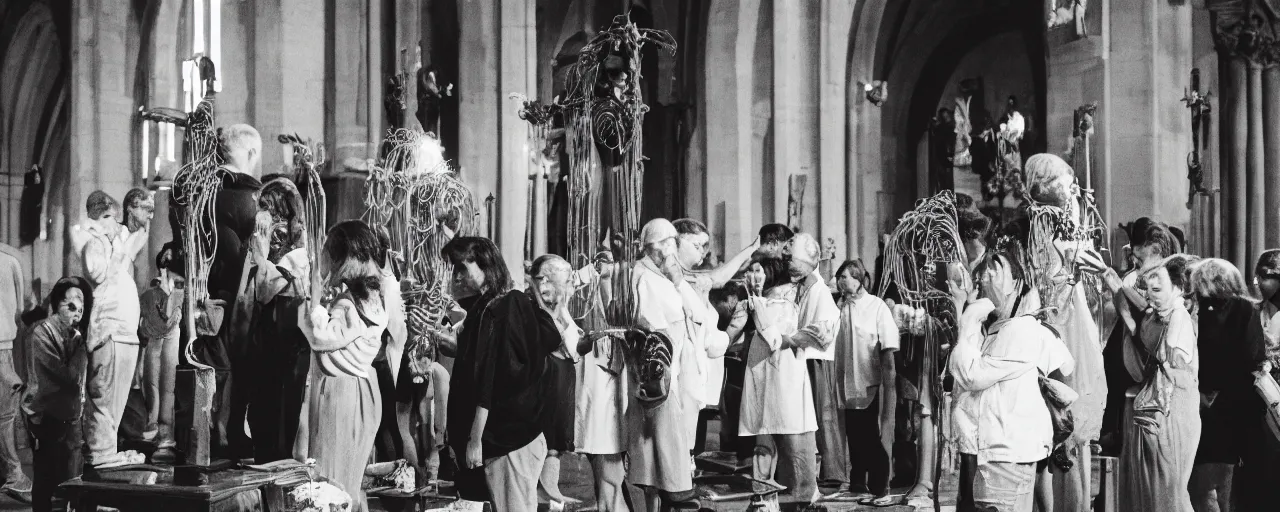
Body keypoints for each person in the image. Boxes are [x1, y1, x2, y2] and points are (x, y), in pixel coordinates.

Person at [951, 251, 1075, 512]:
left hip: (1006, 456)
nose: (988, 276)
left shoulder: (1019, 329)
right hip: (994, 453)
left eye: (997, 270)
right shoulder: (998, 329)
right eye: (985, 272)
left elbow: (971, 375)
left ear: (1017, 285)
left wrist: (969, 316)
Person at [443, 237, 560, 512]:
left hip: (507, 439)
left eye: (462, 268)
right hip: (510, 438)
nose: (456, 276)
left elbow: (490, 377)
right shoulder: (495, 306)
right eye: (453, 269)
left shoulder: (500, 307)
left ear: (486, 266)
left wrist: (474, 440)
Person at [296, 220, 392, 512]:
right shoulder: (379, 293)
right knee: (349, 478)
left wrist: (313, 300)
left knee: (330, 481)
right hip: (363, 391)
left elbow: (322, 338)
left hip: (341, 393)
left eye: (336, 258)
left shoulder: (351, 304)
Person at [1104, 254, 1200, 512]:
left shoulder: (1179, 318)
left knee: (1167, 490)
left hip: (1171, 414)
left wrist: (1121, 294)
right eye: (1149, 290)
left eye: (1158, 290)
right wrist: (1121, 291)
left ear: (1179, 289)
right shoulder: (1158, 315)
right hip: (1154, 411)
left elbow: (1169, 354)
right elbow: (1142, 321)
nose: (1151, 295)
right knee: (1152, 490)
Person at [627, 219, 698, 511]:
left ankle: (670, 498)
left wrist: (676, 278)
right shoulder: (643, 276)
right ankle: (670, 498)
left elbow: (696, 312)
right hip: (660, 374)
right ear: (657, 248)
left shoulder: (666, 276)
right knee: (659, 449)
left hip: (678, 373)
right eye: (669, 246)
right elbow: (650, 325)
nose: (672, 253)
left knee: (666, 448)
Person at [1185, 259, 1261, 512]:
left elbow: (1199, 354)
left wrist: (1205, 392)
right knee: (1221, 482)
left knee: (1206, 484)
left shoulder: (1205, 311)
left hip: (1214, 403)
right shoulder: (1246, 310)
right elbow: (1252, 356)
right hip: (1230, 401)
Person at [82, 190, 147, 468]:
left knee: (117, 397)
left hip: (126, 330)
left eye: (114, 216)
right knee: (103, 394)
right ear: (94, 220)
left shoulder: (116, 241)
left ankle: (108, 449)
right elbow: (99, 274)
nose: (112, 223)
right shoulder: (92, 244)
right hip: (108, 328)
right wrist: (122, 253)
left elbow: (134, 231)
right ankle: (100, 453)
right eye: (105, 216)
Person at [250, 177, 311, 462]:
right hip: (270, 333)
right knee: (264, 403)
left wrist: (261, 252)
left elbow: (264, 290)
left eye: (270, 212)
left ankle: (278, 469)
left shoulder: (298, 255)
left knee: (280, 409)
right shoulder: (288, 252)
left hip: (287, 335)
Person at [831, 259, 899, 505]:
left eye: (847, 276)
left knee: (871, 436)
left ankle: (881, 487)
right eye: (840, 276)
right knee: (853, 434)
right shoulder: (840, 306)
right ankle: (857, 482)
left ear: (860, 279)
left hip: (870, 380)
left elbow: (888, 342)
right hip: (847, 382)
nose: (842, 280)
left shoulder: (876, 305)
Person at [21, 278, 91, 512]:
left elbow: (77, 379)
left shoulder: (76, 337)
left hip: (70, 416)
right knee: (45, 481)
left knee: (73, 479)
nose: (77, 314)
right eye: (70, 306)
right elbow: (67, 376)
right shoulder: (42, 333)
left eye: (80, 309)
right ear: (56, 304)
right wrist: (82, 353)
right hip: (45, 416)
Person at [670, 219, 732, 459]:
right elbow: (699, 323)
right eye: (697, 245)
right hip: (677, 365)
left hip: (692, 366)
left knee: (689, 433)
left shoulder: (689, 281)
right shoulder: (673, 280)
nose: (702, 254)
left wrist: (704, 297)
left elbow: (706, 332)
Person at [527, 255, 580, 509]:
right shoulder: (531, 306)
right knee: (546, 437)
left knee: (558, 438)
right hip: (545, 375)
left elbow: (573, 343)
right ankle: (542, 492)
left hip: (563, 372)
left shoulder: (559, 304)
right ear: (545, 279)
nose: (570, 284)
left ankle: (550, 489)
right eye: (566, 279)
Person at [1235, 250, 1280, 509]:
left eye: (1265, 276)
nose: (1258, 283)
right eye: (1256, 277)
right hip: (1255, 402)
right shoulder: (1251, 311)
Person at [138, 249, 183, 449]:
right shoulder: (151, 292)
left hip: (171, 335)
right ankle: (154, 424)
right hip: (156, 337)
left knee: (168, 383)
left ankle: (165, 430)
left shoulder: (179, 289)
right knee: (152, 380)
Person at [0, 241, 32, 501]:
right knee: (5, 416)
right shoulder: (10, 262)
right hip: (3, 346)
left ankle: (12, 474)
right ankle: (14, 476)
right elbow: (22, 310)